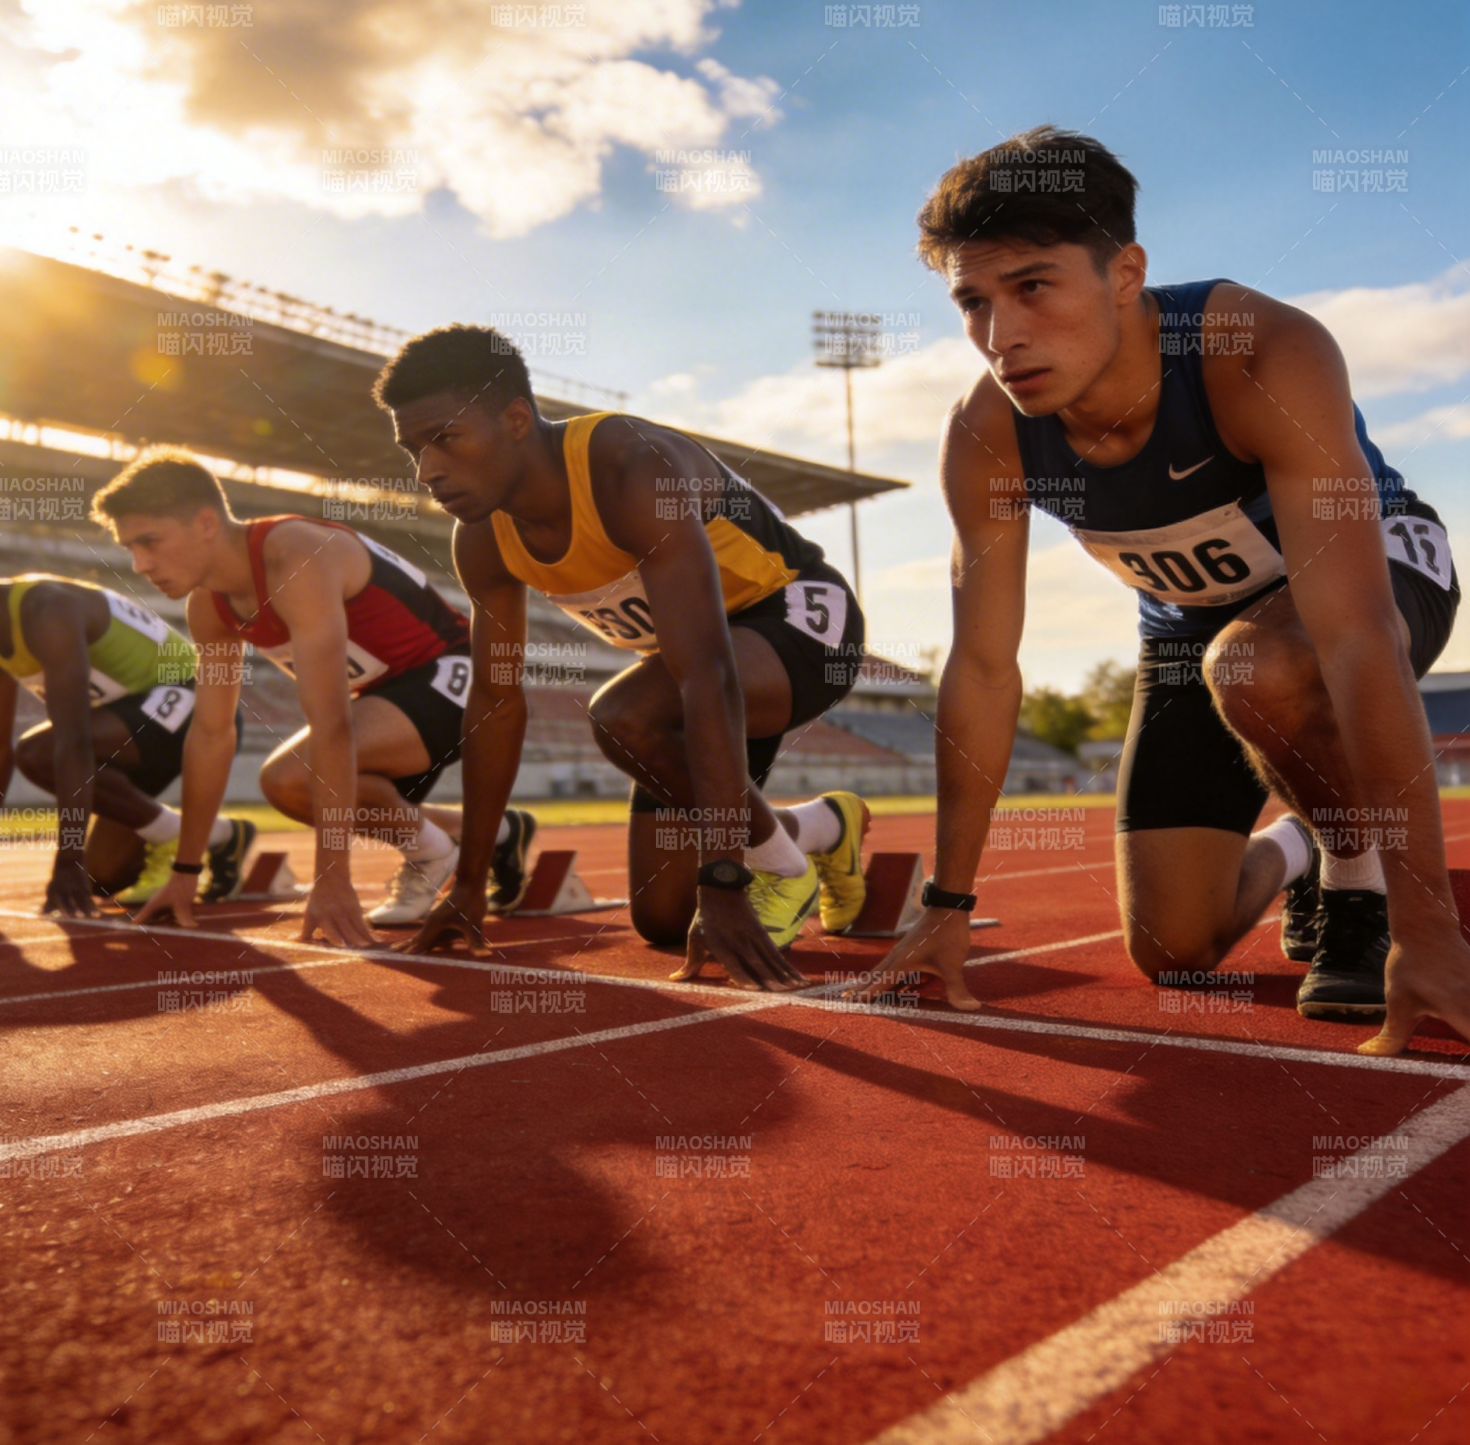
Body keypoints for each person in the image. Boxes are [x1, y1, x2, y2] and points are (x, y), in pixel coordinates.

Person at [866, 126, 1466, 1055]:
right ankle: (1306, 839)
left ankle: (1356, 875)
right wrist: (947, 903)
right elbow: (983, 668)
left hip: (1377, 565)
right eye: (972, 303)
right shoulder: (986, 433)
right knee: (1174, 947)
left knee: (1260, 664)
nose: (1001, 336)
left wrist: (1430, 931)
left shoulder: (1253, 351)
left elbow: (1356, 640)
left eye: (1032, 287)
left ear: (1124, 273)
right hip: (1194, 633)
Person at [372, 325, 873, 990]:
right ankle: (820, 828)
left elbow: (709, 674)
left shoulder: (630, 468)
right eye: (413, 449)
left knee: (623, 715)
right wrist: (466, 884)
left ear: (516, 419)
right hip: (690, 679)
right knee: (664, 921)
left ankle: (784, 868)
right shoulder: (483, 540)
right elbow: (496, 700)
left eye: (445, 438)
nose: (427, 470)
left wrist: (725, 878)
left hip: (800, 625)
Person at [89, 449, 535, 945]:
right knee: (286, 786)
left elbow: (332, 726)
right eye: (130, 547)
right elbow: (211, 734)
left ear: (206, 523)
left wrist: (332, 879)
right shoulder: (208, 607)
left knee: (298, 774)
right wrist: (185, 872)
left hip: (461, 674)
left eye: (150, 541)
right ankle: (490, 834)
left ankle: (433, 852)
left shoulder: (294, 556)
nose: (140, 564)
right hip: (384, 694)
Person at [0, 535, 252, 916]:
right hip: (128, 734)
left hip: (200, 706)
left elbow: (72, 742)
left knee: (38, 752)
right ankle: (226, 835)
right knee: (102, 877)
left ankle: (170, 839)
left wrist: (67, 861)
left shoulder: (48, 610)